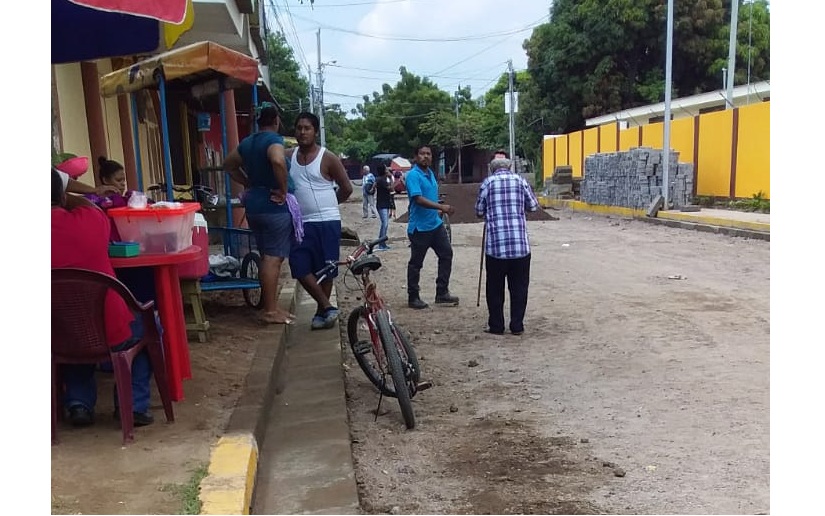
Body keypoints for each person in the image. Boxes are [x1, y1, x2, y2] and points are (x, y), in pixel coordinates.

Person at [51, 168, 157, 427]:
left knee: (72, 326)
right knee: (149, 324)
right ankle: (132, 407)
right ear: (63, 196)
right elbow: (87, 203)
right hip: (109, 328)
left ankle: (78, 404)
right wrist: (65, 194)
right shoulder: (90, 220)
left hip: (55, 331)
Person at [224, 102, 298, 325]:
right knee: (273, 258)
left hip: (255, 205)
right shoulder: (273, 140)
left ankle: (270, 306)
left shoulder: (248, 143)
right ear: (276, 121)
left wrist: (249, 182)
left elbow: (228, 165)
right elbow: (277, 159)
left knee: (267, 255)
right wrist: (283, 190)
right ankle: (270, 310)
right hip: (273, 205)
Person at [287, 112, 353, 329]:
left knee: (326, 269)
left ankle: (320, 313)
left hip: (327, 221)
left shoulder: (328, 157)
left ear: (315, 131)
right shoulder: (289, 156)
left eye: (307, 128)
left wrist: (330, 205)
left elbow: (347, 188)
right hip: (301, 223)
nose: (302, 132)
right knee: (298, 266)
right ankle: (327, 305)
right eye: (299, 128)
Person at [474, 151, 539, 336]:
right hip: (520, 246)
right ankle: (517, 326)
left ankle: (497, 326)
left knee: (495, 288)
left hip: (496, 247)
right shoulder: (521, 181)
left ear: (491, 169)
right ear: (509, 167)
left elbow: (478, 210)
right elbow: (533, 207)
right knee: (519, 287)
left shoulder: (487, 183)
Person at [404, 144, 459, 309]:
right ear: (415, 156)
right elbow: (418, 199)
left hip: (435, 225)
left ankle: (442, 293)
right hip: (419, 228)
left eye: (428, 154)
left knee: (446, 254)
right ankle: (413, 297)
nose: (426, 156)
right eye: (422, 154)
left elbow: (430, 196)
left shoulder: (430, 174)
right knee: (416, 263)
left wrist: (438, 209)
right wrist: (441, 207)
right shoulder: (413, 175)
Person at [374, 163, 394, 251]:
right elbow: (391, 188)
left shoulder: (380, 179)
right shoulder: (383, 180)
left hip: (382, 204)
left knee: (384, 224)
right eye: (386, 169)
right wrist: (391, 178)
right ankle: (381, 244)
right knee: (385, 224)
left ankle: (381, 241)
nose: (387, 170)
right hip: (382, 205)